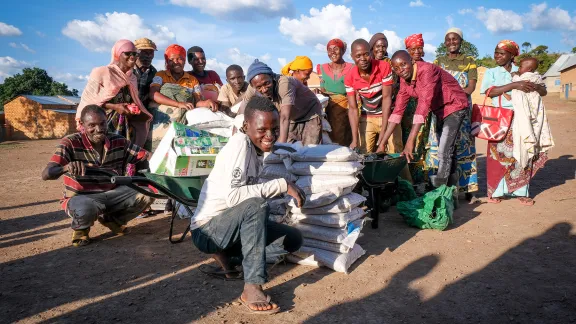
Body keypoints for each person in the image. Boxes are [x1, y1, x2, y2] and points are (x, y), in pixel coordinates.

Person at [191, 96, 304, 314]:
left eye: (274, 128)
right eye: (262, 130)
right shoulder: (239, 145)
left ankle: (229, 259)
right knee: (256, 206)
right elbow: (234, 197)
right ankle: (252, 286)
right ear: (246, 126)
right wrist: (281, 185)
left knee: (293, 239)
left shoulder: (257, 149)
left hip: (229, 226)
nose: (269, 136)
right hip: (207, 231)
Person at [41, 105, 154, 246]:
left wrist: (167, 155)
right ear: (82, 125)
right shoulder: (70, 142)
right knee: (85, 208)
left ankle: (113, 220)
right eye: (92, 125)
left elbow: (146, 155)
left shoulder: (118, 141)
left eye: (102, 123)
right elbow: (46, 174)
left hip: (113, 193)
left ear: (107, 121)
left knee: (147, 193)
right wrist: (66, 167)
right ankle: (81, 229)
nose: (99, 129)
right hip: (83, 197)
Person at [380, 50, 469, 188]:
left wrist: (410, 141)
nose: (401, 70)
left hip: (454, 105)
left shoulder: (427, 70)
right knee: (448, 148)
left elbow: (423, 104)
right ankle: (452, 185)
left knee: (444, 149)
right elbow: (397, 112)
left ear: (412, 61)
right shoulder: (404, 80)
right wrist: (382, 143)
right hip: (439, 110)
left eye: (404, 64)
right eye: (396, 68)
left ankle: (440, 189)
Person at [480, 41, 549, 206]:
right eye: (496, 52)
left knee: (523, 153)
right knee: (498, 155)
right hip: (500, 118)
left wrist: (535, 86)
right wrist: (514, 85)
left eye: (501, 53)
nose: (497, 56)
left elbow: (544, 90)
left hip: (523, 117)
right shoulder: (492, 72)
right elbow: (490, 92)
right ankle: (496, 191)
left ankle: (521, 191)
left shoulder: (525, 72)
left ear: (512, 56)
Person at [77, 39, 152, 149]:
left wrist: (131, 108)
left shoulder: (132, 78)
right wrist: (115, 107)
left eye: (135, 54)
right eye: (127, 53)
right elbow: (89, 101)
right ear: (118, 54)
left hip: (124, 119)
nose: (132, 57)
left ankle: (128, 157)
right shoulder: (102, 72)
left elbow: (132, 99)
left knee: (143, 120)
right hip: (101, 119)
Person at [432, 28, 479, 201]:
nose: (451, 42)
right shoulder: (438, 61)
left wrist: (456, 98)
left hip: (462, 108)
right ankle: (446, 188)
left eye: (455, 39)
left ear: (461, 41)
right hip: (443, 109)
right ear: (445, 42)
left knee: (465, 146)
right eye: (448, 39)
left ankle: (468, 188)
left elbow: (471, 86)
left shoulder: (469, 61)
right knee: (444, 148)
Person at [240, 59, 323, 145]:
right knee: (290, 151)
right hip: (292, 118)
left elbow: (284, 117)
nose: (264, 89)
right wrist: (237, 139)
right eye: (259, 87)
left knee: (309, 151)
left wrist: (280, 146)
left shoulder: (284, 83)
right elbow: (241, 112)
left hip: (310, 114)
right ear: (253, 86)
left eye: (267, 83)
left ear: (272, 77)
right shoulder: (252, 87)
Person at [344, 38, 394, 153]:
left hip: (388, 116)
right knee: (363, 152)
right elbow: (352, 108)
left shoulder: (384, 67)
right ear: (352, 56)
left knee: (394, 149)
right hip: (367, 118)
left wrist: (383, 132)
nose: (363, 59)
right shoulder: (349, 77)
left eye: (366, 54)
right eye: (358, 56)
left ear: (371, 53)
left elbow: (387, 98)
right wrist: (355, 139)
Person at [317, 38, 355, 146]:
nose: (332, 52)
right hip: (328, 108)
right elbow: (323, 89)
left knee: (346, 136)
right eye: (329, 49)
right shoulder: (321, 68)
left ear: (343, 51)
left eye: (336, 49)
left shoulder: (352, 67)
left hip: (348, 107)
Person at [133, 38, 158, 109]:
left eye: (151, 52)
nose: (149, 56)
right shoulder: (128, 69)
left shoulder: (153, 72)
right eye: (145, 52)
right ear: (136, 53)